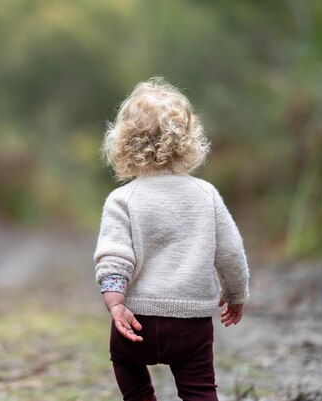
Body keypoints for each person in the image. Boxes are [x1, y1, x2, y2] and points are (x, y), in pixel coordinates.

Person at [94, 77, 250, 401]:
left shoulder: (122, 200)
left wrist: (115, 303)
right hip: (191, 325)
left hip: (136, 320)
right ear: (189, 140)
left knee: (124, 360)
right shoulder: (205, 195)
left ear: (123, 143)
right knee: (201, 389)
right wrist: (235, 294)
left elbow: (114, 257)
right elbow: (231, 253)